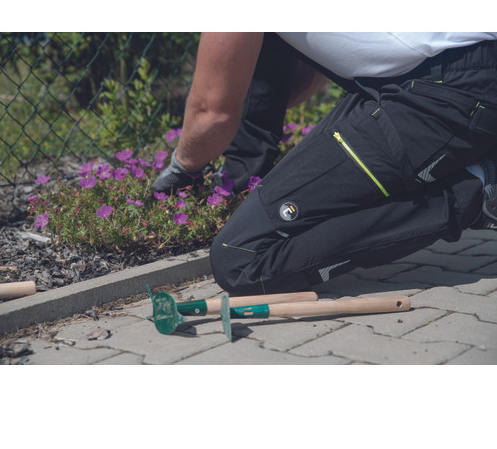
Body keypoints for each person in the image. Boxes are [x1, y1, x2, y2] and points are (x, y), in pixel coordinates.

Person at [153, 32, 497, 296]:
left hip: (449, 90)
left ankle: (475, 190)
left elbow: (212, 112)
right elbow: (312, 73)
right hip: (440, 75)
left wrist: (181, 170)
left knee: (239, 260)